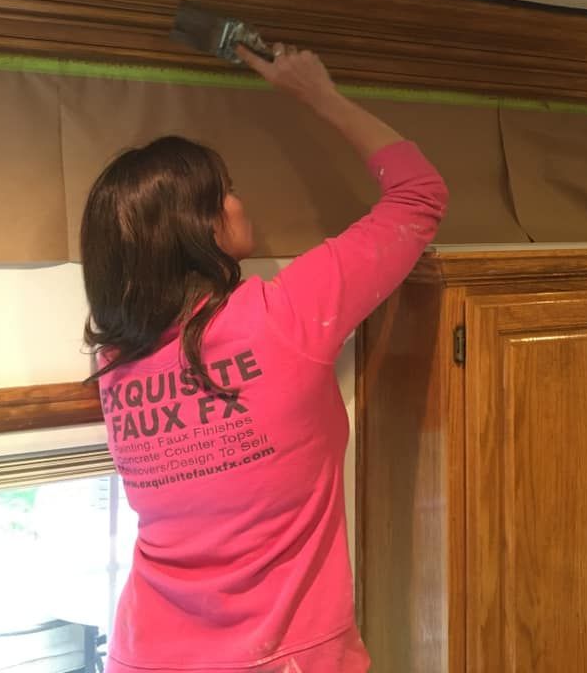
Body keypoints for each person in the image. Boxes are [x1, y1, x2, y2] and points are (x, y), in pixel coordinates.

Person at [80, 43, 449, 673]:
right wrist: (320, 95)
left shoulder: (114, 365)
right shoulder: (287, 317)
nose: (240, 203)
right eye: (227, 193)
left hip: (145, 654)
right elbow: (419, 195)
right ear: (200, 229)